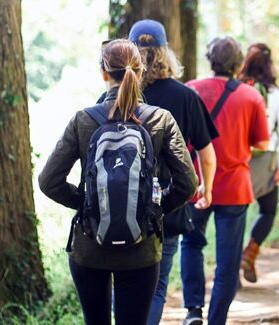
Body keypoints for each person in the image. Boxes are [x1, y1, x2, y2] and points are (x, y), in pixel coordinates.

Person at [39, 39, 197, 325]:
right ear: (140, 72)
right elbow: (187, 182)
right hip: (142, 249)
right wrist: (151, 210)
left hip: (89, 248)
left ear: (103, 73)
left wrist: (88, 205)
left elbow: (48, 181)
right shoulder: (161, 119)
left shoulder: (82, 120)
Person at [100, 20, 219, 325]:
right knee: (155, 288)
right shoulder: (185, 97)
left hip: (116, 205)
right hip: (166, 205)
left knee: (122, 284)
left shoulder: (108, 101)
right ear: (166, 52)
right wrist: (207, 188)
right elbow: (206, 153)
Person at [182, 37, 270, 325]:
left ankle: (193, 310)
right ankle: (216, 320)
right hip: (234, 186)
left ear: (210, 59)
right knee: (228, 262)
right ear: (237, 63)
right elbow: (262, 143)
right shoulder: (251, 96)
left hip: (196, 184)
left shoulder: (191, 90)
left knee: (192, 244)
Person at [237, 43, 279, 283]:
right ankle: (250, 251)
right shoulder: (278, 94)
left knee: (235, 215)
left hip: (237, 161)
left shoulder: (236, 88)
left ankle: (231, 267)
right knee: (267, 211)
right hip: (265, 162)